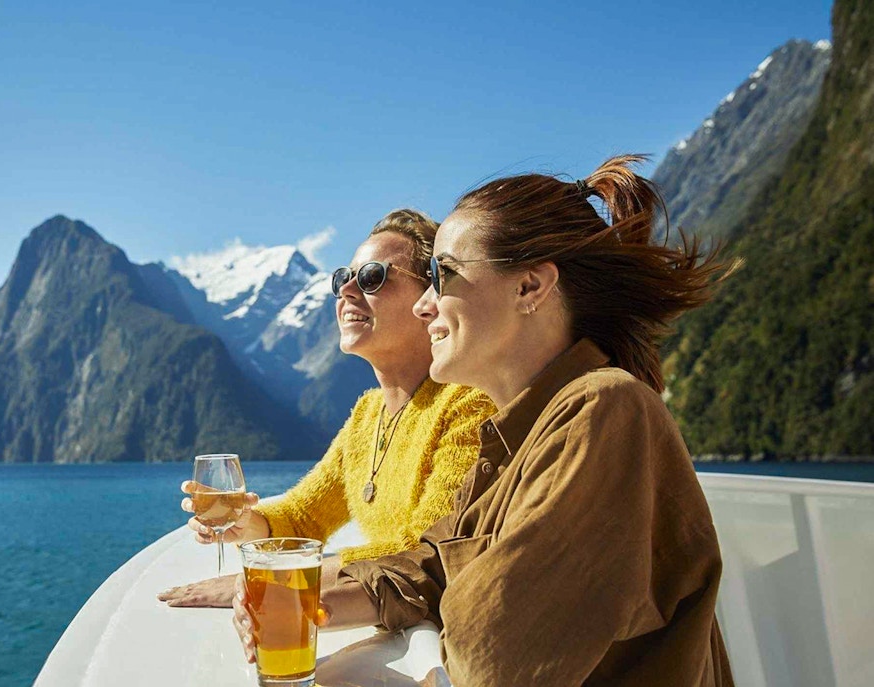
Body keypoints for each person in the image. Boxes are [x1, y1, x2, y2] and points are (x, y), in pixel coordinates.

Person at [232, 155, 738, 685]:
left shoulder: (604, 409)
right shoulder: (516, 435)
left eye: (443, 275)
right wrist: (309, 604)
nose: (426, 305)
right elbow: (430, 566)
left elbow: (490, 654)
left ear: (530, 287)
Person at [159, 209, 495, 608]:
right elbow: (305, 517)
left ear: (429, 298)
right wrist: (248, 524)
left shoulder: (468, 404)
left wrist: (266, 578)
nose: (347, 290)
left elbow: (422, 550)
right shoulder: (368, 416)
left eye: (372, 276)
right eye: (342, 278)